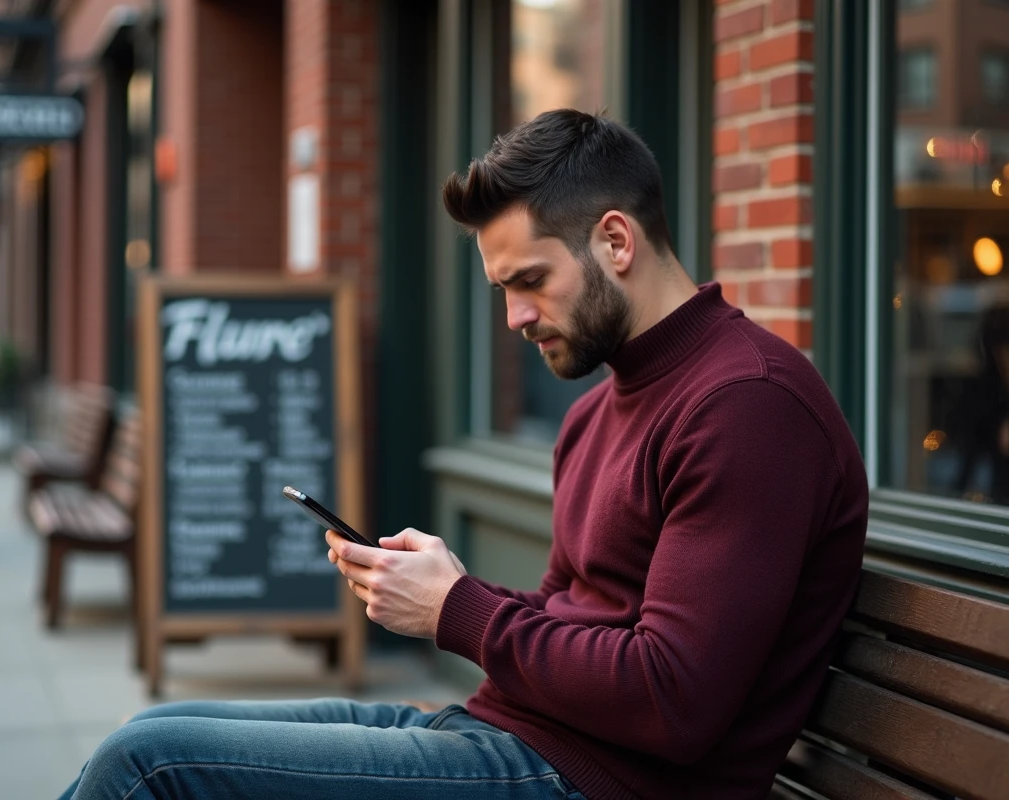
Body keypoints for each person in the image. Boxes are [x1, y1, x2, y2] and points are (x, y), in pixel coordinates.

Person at [59, 111, 869, 800]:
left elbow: (673, 701)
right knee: (152, 727)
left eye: (531, 281)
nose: (515, 316)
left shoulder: (746, 406)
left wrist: (458, 612)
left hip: (598, 780)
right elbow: (568, 611)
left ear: (616, 240)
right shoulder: (598, 414)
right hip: (514, 737)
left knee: (148, 769)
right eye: (501, 290)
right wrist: (448, 587)